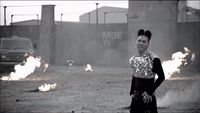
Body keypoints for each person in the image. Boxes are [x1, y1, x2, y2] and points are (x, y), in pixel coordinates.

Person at [129, 29, 165, 113]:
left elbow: (161, 77)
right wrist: (131, 92)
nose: (141, 43)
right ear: (136, 42)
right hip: (135, 99)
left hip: (147, 99)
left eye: (144, 42)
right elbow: (134, 76)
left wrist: (149, 92)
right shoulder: (134, 59)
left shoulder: (154, 59)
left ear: (148, 44)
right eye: (139, 40)